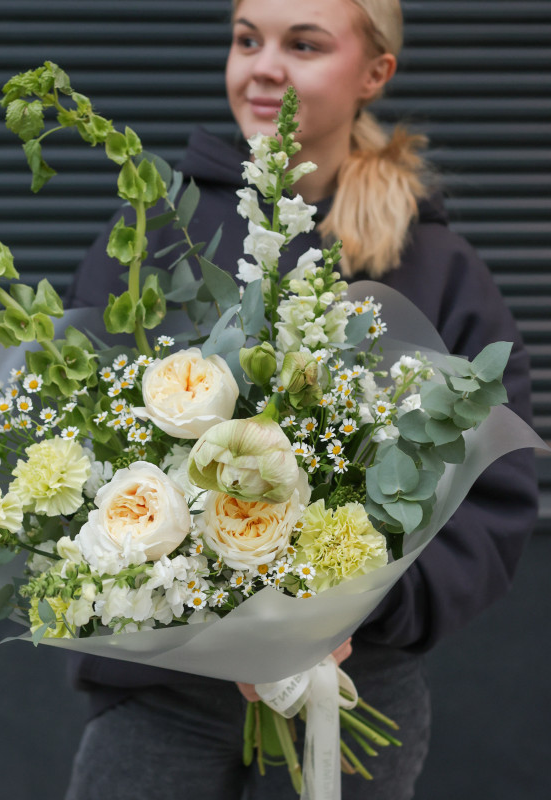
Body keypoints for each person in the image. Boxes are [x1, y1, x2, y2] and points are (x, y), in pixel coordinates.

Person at [64, 1, 539, 798]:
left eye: (304, 44)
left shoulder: (434, 264)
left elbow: (492, 496)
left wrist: (355, 612)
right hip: (164, 697)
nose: (264, 67)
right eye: (247, 39)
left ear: (374, 72)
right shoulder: (152, 240)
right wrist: (167, 588)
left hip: (349, 691)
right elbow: (78, 433)